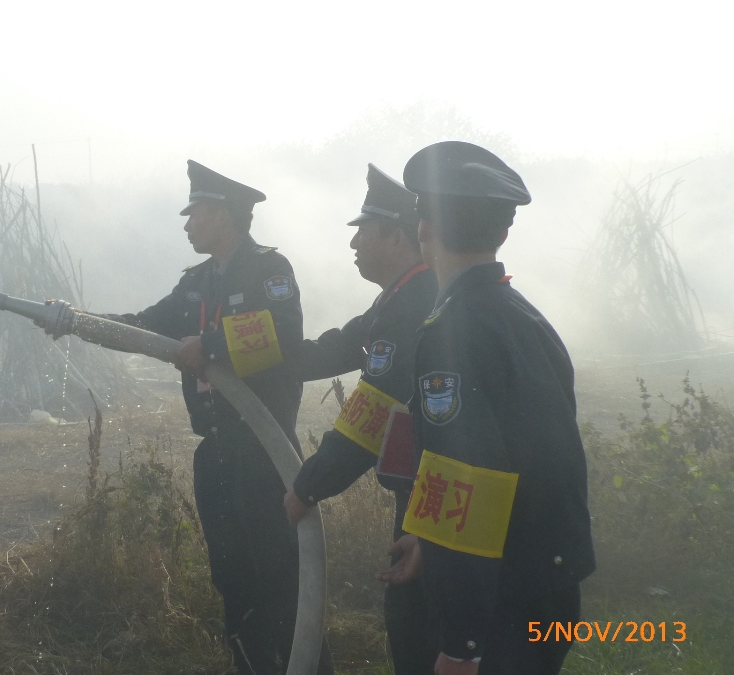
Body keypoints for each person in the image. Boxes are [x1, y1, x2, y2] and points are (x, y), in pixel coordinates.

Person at [86, 160, 332, 675]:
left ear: (220, 215)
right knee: (233, 576)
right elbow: (144, 327)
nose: (187, 225)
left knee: (279, 574)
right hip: (217, 455)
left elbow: (285, 339)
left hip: (265, 453)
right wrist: (79, 323)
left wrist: (212, 346)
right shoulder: (195, 283)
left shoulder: (269, 271)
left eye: (194, 213)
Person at [395, 141, 595, 674]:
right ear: (503, 232)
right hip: (550, 583)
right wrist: (427, 538)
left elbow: (468, 478)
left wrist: (463, 645)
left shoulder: (451, 334)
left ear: (423, 230)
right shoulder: (525, 316)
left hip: (501, 603)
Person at [282, 164, 440, 675]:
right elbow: (333, 349)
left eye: (363, 231)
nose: (353, 244)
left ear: (396, 236)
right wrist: (232, 355)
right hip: (421, 496)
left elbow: (373, 411)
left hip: (434, 500)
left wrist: (307, 486)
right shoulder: (396, 300)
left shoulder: (412, 305)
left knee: (419, 630)